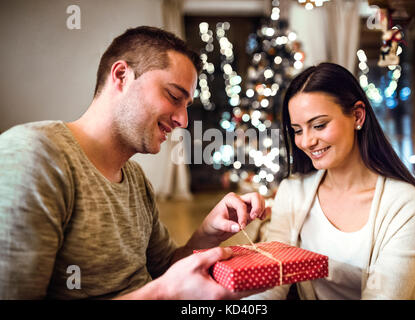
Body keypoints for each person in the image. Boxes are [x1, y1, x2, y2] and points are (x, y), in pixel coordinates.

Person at [0, 26, 268, 299]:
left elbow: (165, 270)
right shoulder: (34, 156)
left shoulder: (135, 179)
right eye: (174, 97)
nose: (183, 121)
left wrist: (207, 233)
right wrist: (164, 294)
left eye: (186, 105)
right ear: (121, 76)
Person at [246, 62, 415, 300]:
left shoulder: (405, 204)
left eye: (319, 125)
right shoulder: (292, 191)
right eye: (298, 130)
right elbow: (274, 281)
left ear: (357, 116)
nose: (306, 142)